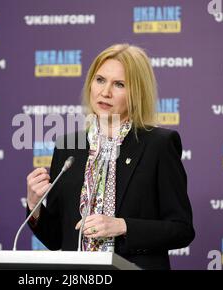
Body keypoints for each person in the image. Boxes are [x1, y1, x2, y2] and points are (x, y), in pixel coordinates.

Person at [25, 43, 195, 270]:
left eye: (119, 84)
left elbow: (182, 229)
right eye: (100, 80)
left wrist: (122, 226)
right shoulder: (68, 146)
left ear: (137, 91)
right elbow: (56, 239)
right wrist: (34, 205)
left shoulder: (159, 145)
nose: (105, 92)